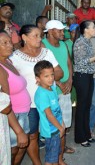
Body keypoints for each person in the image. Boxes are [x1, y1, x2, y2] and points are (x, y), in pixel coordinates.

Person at [10, 25, 63, 165]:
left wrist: (46, 79)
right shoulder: (14, 57)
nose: (39, 39)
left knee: (54, 131)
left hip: (49, 101)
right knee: (32, 135)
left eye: (40, 35)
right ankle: (37, 162)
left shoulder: (47, 53)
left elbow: (59, 72)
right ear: (24, 38)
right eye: (35, 35)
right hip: (29, 105)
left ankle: (56, 159)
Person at [73, 20, 95, 146]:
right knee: (82, 108)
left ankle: (87, 134)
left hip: (88, 76)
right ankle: (80, 137)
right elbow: (80, 62)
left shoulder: (87, 41)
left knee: (87, 107)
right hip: (82, 76)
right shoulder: (80, 42)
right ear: (86, 30)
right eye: (93, 27)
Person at [42, 20, 74, 155]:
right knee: (53, 122)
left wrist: (70, 80)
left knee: (64, 121)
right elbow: (42, 70)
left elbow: (68, 63)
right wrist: (59, 83)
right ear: (49, 32)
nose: (63, 33)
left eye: (63, 30)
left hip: (65, 88)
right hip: (52, 90)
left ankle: (62, 147)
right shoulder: (43, 45)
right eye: (59, 30)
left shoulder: (64, 44)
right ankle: (54, 150)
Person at [0, 30, 29, 165]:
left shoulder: (8, 61)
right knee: (12, 150)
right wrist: (18, 131)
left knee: (20, 148)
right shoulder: (0, 69)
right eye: (4, 43)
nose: (10, 45)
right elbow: (4, 104)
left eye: (10, 42)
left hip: (22, 113)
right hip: (13, 117)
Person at [34, 60, 65, 165]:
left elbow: (57, 108)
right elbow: (49, 115)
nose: (51, 78)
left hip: (56, 126)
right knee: (53, 158)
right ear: (38, 79)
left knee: (53, 154)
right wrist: (60, 128)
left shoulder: (52, 87)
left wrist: (62, 123)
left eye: (52, 74)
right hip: (51, 130)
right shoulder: (42, 94)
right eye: (46, 76)